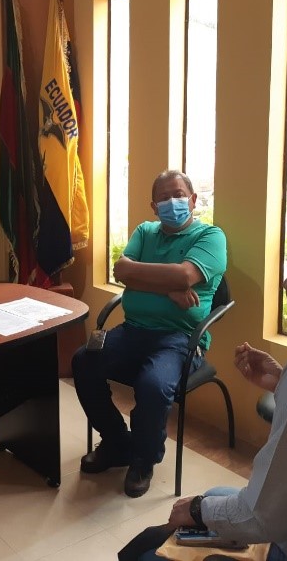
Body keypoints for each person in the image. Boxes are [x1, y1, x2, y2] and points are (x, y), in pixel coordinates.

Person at [126, 223, 287, 561]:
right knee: (217, 493)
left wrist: (195, 509)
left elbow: (262, 515)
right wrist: (285, 382)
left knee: (149, 552)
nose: (285, 283)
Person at [73, 170, 227, 497]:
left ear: (193, 199)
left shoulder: (211, 237)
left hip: (181, 338)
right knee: (83, 361)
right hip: (133, 330)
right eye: (164, 198)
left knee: (153, 385)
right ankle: (118, 443)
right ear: (154, 207)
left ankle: (144, 459)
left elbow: (185, 275)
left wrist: (147, 278)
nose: (173, 202)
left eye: (179, 195)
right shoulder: (145, 231)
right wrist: (169, 289)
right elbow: (120, 270)